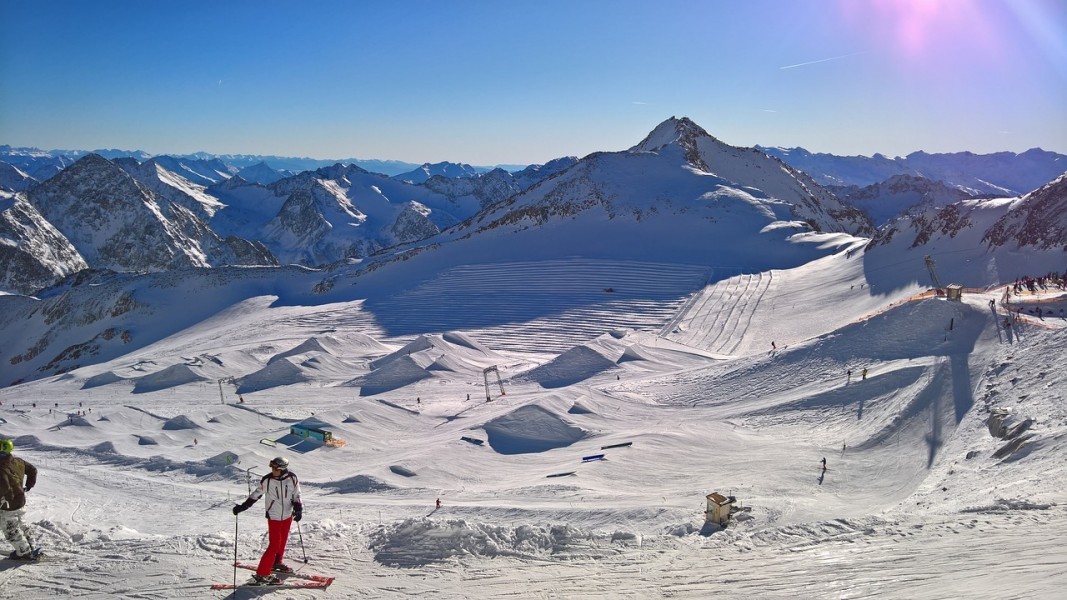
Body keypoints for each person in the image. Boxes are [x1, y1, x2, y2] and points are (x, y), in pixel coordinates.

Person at [232, 456, 303, 586]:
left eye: (275, 468)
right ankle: (262, 574)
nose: (272, 470)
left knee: (283, 540)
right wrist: (243, 506)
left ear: (282, 469)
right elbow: (256, 494)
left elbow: (296, 495)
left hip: (287, 515)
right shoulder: (267, 480)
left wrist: (298, 509)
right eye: (271, 467)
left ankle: (277, 562)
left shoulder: (292, 478)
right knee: (274, 545)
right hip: (274, 516)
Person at [0, 439, 40, 561]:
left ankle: (23, 552)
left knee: (11, 529)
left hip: (8, 504)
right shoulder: (18, 461)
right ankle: (32, 546)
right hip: (20, 500)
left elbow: (4, 486)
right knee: (22, 524)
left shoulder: (0, 467)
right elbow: (32, 470)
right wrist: (28, 486)